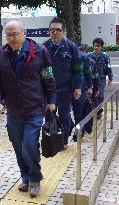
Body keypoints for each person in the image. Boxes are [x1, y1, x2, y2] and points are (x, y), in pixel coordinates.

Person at [0, 20, 56, 198]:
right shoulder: (0, 54)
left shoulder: (40, 51)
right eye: (8, 35)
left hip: (34, 107)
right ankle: (25, 177)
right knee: (19, 146)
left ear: (24, 33)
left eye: (15, 34)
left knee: (29, 144)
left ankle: (34, 178)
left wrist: (52, 100)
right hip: (13, 109)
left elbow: (48, 78)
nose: (11, 38)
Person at [43, 17, 84, 148]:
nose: (55, 32)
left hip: (65, 89)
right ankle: (53, 139)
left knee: (64, 115)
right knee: (49, 115)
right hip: (48, 89)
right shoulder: (43, 47)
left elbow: (78, 68)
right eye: (52, 30)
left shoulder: (70, 47)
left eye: (58, 30)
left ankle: (64, 139)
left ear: (63, 31)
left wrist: (78, 87)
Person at [71, 44, 99, 141]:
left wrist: (91, 87)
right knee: (75, 112)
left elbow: (90, 74)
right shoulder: (67, 57)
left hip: (82, 89)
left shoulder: (86, 59)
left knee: (78, 111)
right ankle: (77, 129)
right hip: (70, 88)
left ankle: (79, 131)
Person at [88, 38, 113, 119]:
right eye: (95, 46)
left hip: (101, 79)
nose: (96, 47)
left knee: (100, 95)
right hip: (91, 79)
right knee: (92, 96)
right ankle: (95, 111)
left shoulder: (105, 56)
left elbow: (108, 68)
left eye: (98, 46)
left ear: (101, 47)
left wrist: (110, 79)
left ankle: (98, 110)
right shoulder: (89, 56)